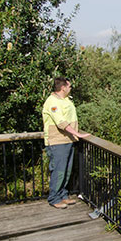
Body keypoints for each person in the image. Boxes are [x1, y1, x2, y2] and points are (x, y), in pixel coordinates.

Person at [41, 77, 90, 208]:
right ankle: (54, 198)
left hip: (68, 140)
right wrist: (78, 134)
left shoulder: (66, 100)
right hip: (57, 142)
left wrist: (74, 135)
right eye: (69, 86)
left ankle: (63, 195)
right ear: (63, 88)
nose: (70, 88)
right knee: (59, 170)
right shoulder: (52, 102)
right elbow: (61, 122)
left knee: (67, 170)